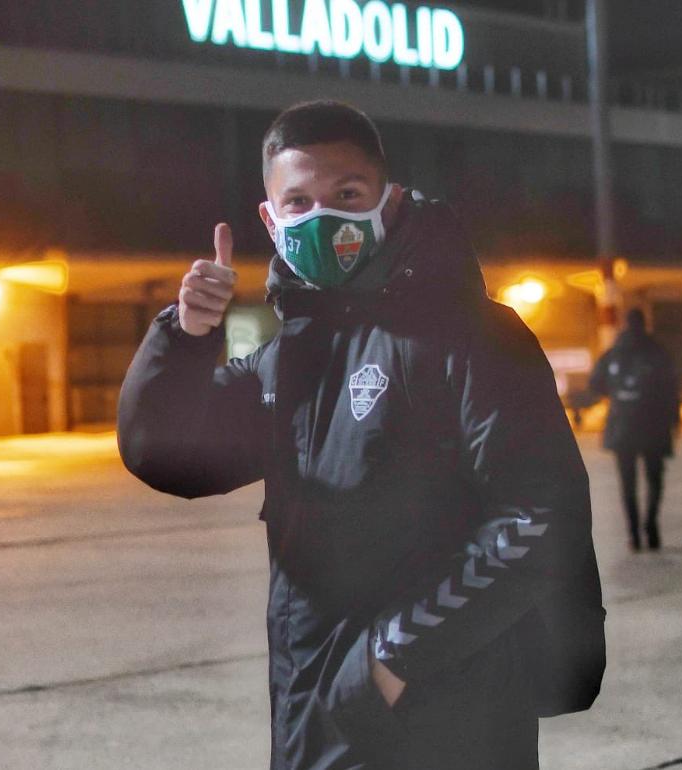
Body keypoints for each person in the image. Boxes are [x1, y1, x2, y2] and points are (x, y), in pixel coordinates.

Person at [117, 101, 605, 770]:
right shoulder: (289, 360)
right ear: (271, 218)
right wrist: (184, 335)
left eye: (346, 194)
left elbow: (539, 516)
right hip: (317, 716)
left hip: (444, 723)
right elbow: (163, 452)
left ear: (388, 199)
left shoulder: (471, 336)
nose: (324, 217)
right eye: (299, 202)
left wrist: (393, 660)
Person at [589, 308, 679, 551]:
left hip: (622, 426)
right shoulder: (657, 352)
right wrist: (673, 421)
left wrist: (616, 395)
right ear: (645, 324)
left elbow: (594, 382)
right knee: (654, 480)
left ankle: (633, 535)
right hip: (654, 425)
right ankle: (651, 525)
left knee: (627, 484)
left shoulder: (613, 353)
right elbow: (672, 388)